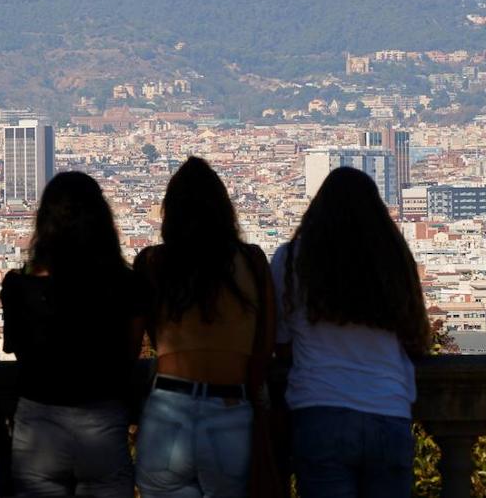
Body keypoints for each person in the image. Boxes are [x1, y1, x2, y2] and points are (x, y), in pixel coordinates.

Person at [273, 167, 430, 498]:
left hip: (320, 411)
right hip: (389, 411)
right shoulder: (392, 261)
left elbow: (281, 343)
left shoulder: (291, 260)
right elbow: (415, 337)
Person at [132, 157, 275, 498]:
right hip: (230, 409)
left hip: (168, 410)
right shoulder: (252, 262)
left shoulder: (152, 264)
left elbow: (137, 342)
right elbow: (264, 346)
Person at [0, 171, 144, 497]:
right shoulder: (125, 283)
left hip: (39, 422)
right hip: (102, 421)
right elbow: (130, 352)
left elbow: (16, 348)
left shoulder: (19, 284)